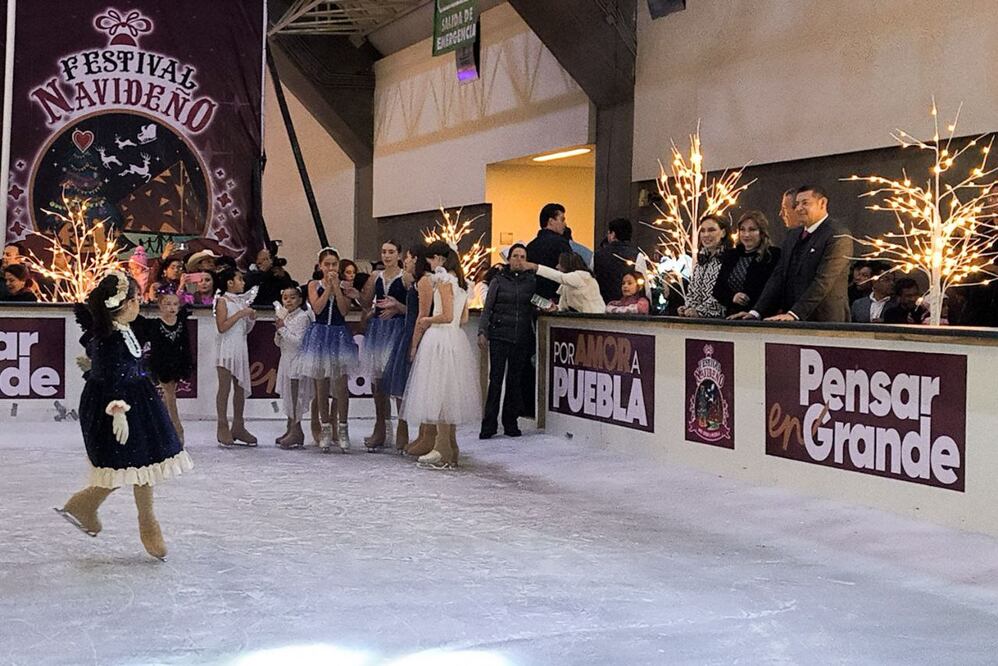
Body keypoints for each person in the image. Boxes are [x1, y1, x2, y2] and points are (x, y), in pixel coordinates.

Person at [56, 271, 192, 560]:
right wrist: (117, 409)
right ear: (123, 304)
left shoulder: (119, 330)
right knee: (124, 464)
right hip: (115, 405)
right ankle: (95, 507)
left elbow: (108, 361)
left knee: (140, 463)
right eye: (135, 300)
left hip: (136, 399)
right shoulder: (109, 339)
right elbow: (108, 374)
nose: (139, 305)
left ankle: (132, 518)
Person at [401, 241, 481, 469]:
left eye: (431, 260)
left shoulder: (445, 281)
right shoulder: (463, 284)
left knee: (441, 395)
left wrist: (427, 320)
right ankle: (450, 446)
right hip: (454, 338)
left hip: (439, 339)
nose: (430, 264)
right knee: (449, 393)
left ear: (439, 259)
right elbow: (462, 318)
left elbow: (445, 315)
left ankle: (443, 447)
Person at [731, 185, 852, 322]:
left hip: (825, 321)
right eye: (796, 204)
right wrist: (756, 312)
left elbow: (824, 280)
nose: (799, 208)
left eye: (805, 203)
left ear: (822, 203)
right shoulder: (793, 235)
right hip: (790, 321)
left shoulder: (838, 235)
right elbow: (778, 277)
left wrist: (794, 314)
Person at [294, 247, 358, 453]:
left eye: (334, 264)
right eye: (327, 264)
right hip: (320, 335)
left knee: (340, 386)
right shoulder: (314, 285)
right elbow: (318, 308)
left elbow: (344, 310)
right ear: (320, 266)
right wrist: (328, 288)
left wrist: (337, 288)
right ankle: (326, 428)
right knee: (321, 385)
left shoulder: (346, 285)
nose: (331, 268)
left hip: (339, 335)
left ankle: (343, 427)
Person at [478, 243, 536, 439]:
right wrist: (482, 331)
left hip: (521, 337)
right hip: (499, 335)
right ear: (509, 259)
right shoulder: (498, 280)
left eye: (522, 256)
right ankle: (489, 425)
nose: (518, 260)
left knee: (514, 381)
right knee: (495, 380)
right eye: (515, 256)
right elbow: (488, 308)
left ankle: (510, 422)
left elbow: (534, 303)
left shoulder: (531, 281)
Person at [383, 245, 433, 454]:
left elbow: (422, 315)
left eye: (409, 258)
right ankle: (404, 431)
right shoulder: (413, 282)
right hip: (407, 332)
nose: (406, 261)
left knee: (418, 386)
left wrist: (414, 343)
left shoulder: (425, 282)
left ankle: (425, 435)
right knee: (400, 384)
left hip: (415, 334)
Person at [358, 241, 408, 451]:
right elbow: (365, 301)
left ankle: (403, 431)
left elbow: (414, 309)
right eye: (384, 251)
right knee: (378, 384)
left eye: (391, 252)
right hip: (378, 331)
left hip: (397, 331)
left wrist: (398, 307)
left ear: (399, 255)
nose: (386, 256)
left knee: (397, 382)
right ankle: (381, 428)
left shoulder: (406, 277)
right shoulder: (375, 276)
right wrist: (357, 296)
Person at [137, 288, 194, 445]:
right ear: (160, 306)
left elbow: (186, 345)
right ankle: (177, 429)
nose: (172, 307)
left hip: (177, 363)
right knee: (170, 396)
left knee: (167, 397)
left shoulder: (181, 323)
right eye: (168, 304)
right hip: (161, 364)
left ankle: (161, 429)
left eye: (175, 304)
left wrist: (186, 362)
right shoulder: (155, 325)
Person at [213, 267, 259, 447]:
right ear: (229, 282)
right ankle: (222, 425)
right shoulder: (223, 301)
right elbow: (222, 327)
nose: (243, 282)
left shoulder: (240, 302)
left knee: (240, 388)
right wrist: (241, 314)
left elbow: (244, 330)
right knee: (224, 388)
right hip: (226, 349)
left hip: (240, 348)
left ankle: (238, 425)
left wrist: (250, 318)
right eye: (240, 279)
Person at [714, 210, 782, 316]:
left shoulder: (772, 255)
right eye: (742, 230)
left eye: (752, 230)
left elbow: (773, 290)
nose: (746, 234)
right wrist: (733, 297)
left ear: (761, 232)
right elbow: (718, 290)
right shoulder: (731, 255)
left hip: (760, 317)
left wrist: (754, 311)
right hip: (730, 316)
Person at [273, 284, 313, 449]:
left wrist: (282, 328)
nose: (288, 301)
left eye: (293, 297)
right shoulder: (286, 317)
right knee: (289, 396)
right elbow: (278, 342)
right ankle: (290, 428)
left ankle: (297, 430)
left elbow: (298, 342)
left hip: (296, 362)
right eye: (285, 298)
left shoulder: (302, 317)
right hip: (286, 361)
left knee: (296, 397)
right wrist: (278, 331)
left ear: (300, 300)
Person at [677, 215, 730, 319]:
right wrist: (687, 308)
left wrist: (700, 312)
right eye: (703, 231)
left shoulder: (730, 259)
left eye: (711, 230)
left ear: (723, 233)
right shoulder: (701, 261)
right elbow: (692, 291)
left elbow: (723, 296)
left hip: (721, 323)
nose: (706, 235)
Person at [524, 252, 605, 313]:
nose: (557, 266)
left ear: (567, 265)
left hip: (595, 320)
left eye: (560, 263)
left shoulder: (583, 276)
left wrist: (536, 267)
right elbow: (564, 306)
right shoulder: (567, 284)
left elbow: (560, 277)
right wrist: (555, 307)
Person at [526, 203, 572, 301]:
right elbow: (570, 270)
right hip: (556, 298)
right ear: (551, 221)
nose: (565, 224)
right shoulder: (561, 243)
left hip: (536, 299)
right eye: (562, 219)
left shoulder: (530, 246)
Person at [593, 217, 641, 303]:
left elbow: (591, 281)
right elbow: (644, 287)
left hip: (602, 306)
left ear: (613, 234)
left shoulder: (597, 255)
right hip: (630, 308)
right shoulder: (637, 256)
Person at [246, 241, 295, 306]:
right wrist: (264, 272)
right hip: (259, 309)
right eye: (265, 259)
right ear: (257, 261)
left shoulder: (278, 273)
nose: (269, 262)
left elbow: (290, 290)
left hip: (278, 309)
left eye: (270, 259)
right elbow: (252, 287)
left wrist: (283, 277)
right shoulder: (252, 273)